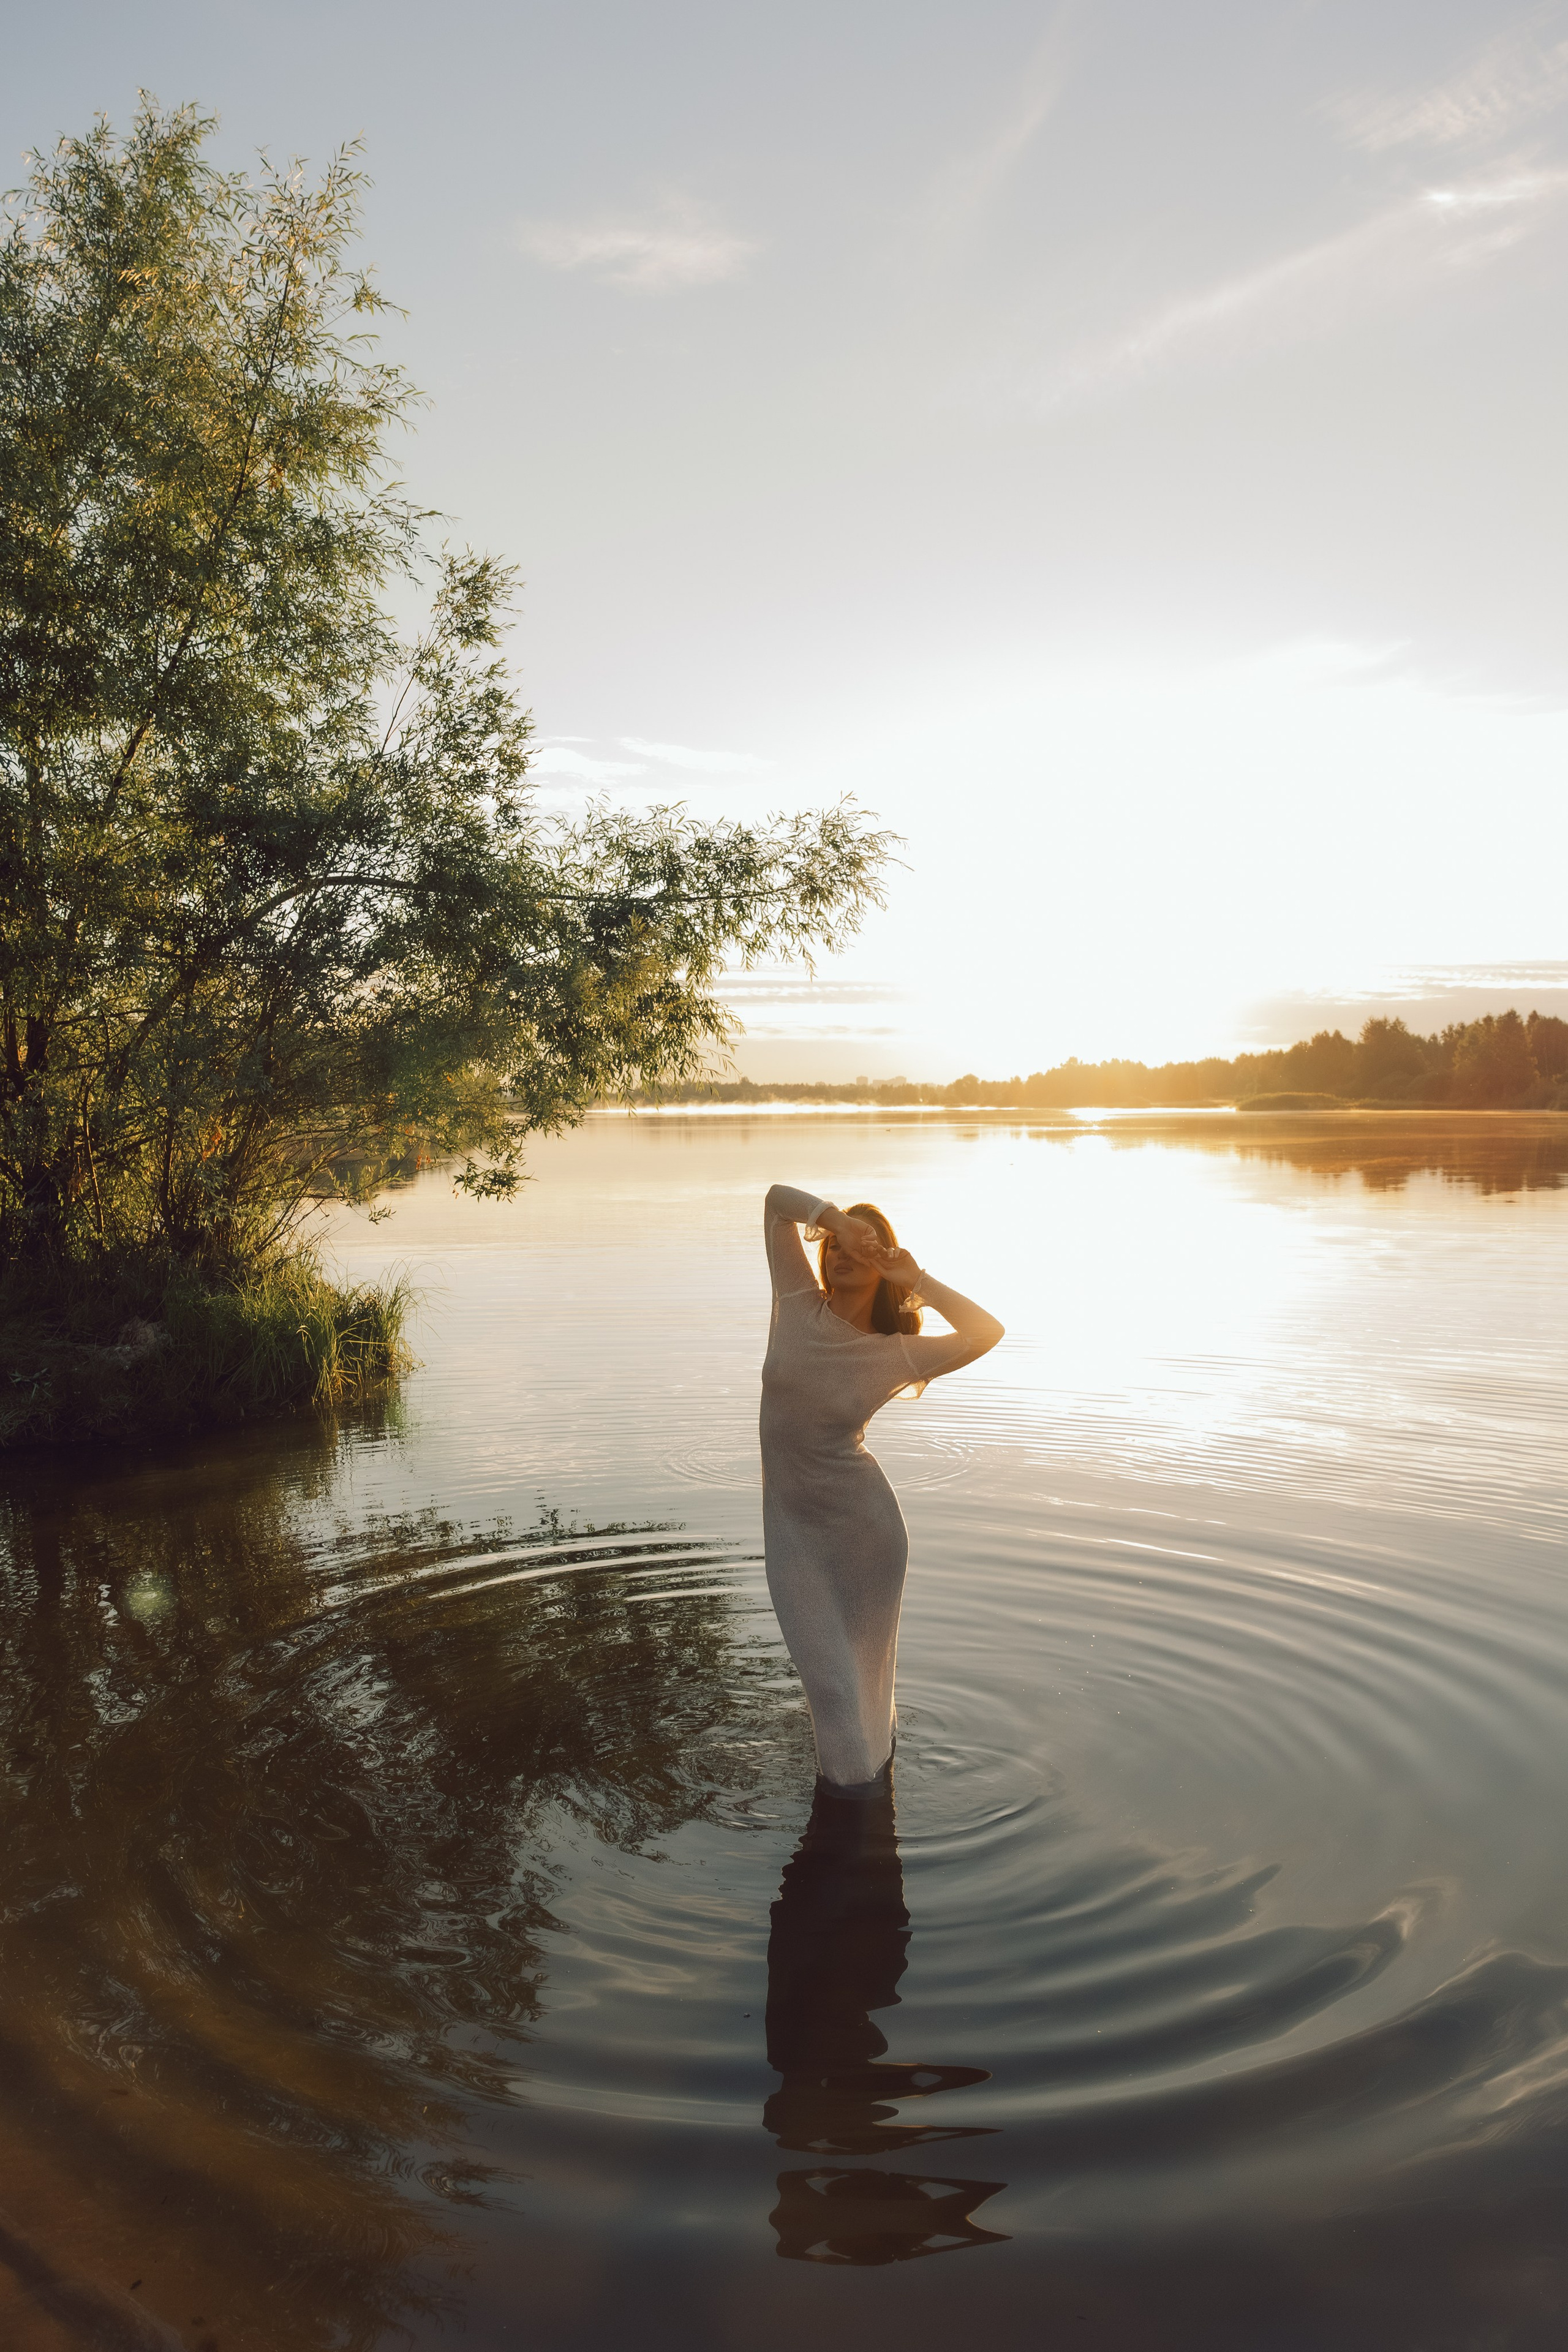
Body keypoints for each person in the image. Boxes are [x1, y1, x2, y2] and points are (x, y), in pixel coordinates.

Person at [760, 1185, 1005, 1793]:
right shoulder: (795, 1300)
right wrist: (836, 1219)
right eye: (837, 1246)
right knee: (832, 1688)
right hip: (792, 1532)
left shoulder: (893, 1353)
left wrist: (916, 1275)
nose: (842, 1253)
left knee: (862, 1688)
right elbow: (774, 1202)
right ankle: (860, 1813)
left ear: (882, 1269)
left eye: (860, 1249)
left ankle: (858, 1821)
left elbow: (985, 1332)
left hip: (864, 1531)